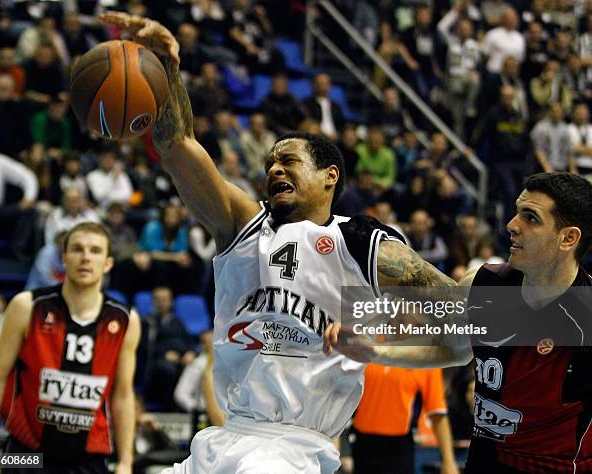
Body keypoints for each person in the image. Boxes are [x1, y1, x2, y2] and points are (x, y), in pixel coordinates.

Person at [101, 11, 457, 474]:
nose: (274, 169)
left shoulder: (358, 242)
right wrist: (169, 66)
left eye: (288, 160)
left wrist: (381, 345)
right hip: (223, 439)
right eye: (270, 162)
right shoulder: (244, 226)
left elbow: (460, 322)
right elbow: (176, 144)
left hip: (293, 449)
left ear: (330, 176)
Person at [326, 172, 592, 473]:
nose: (511, 225)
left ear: (568, 238)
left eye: (530, 218)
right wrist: (375, 352)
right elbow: (454, 351)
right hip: (483, 462)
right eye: (517, 211)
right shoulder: (482, 284)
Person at [0, 222, 141, 474]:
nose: (86, 257)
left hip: (89, 459)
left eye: (95, 251)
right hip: (26, 454)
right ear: (64, 259)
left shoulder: (125, 320)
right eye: (77, 249)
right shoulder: (27, 306)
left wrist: (125, 462)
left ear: (108, 263)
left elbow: (122, 395)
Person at [352, 365, 458, 474]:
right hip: (362, 445)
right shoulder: (364, 353)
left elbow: (437, 413)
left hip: (399, 450)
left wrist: (448, 461)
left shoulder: (425, 359)